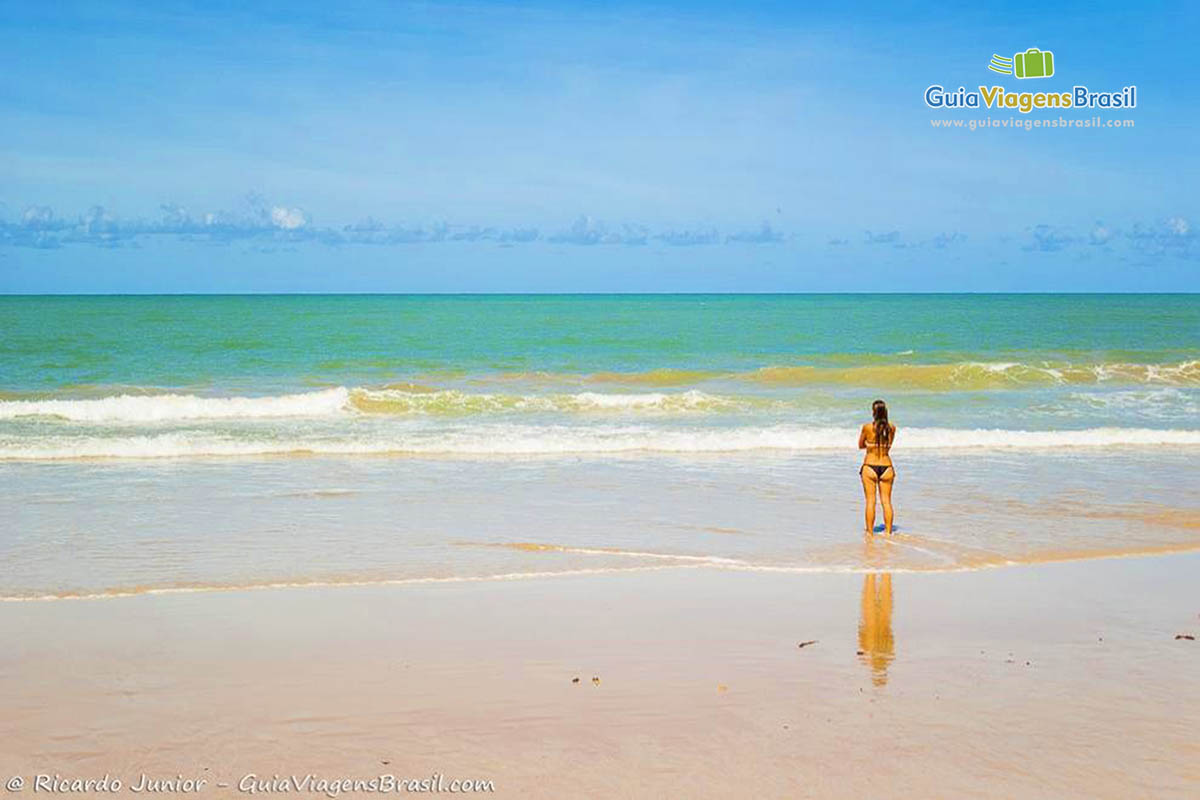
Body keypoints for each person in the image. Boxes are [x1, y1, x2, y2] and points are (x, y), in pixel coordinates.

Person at [858, 399, 896, 535]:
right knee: (886, 501)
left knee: (870, 501)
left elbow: (860, 445)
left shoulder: (867, 427)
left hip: (870, 466)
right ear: (885, 412)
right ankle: (888, 532)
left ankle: (869, 533)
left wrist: (870, 445)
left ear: (873, 412)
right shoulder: (892, 428)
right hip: (887, 466)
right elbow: (888, 446)